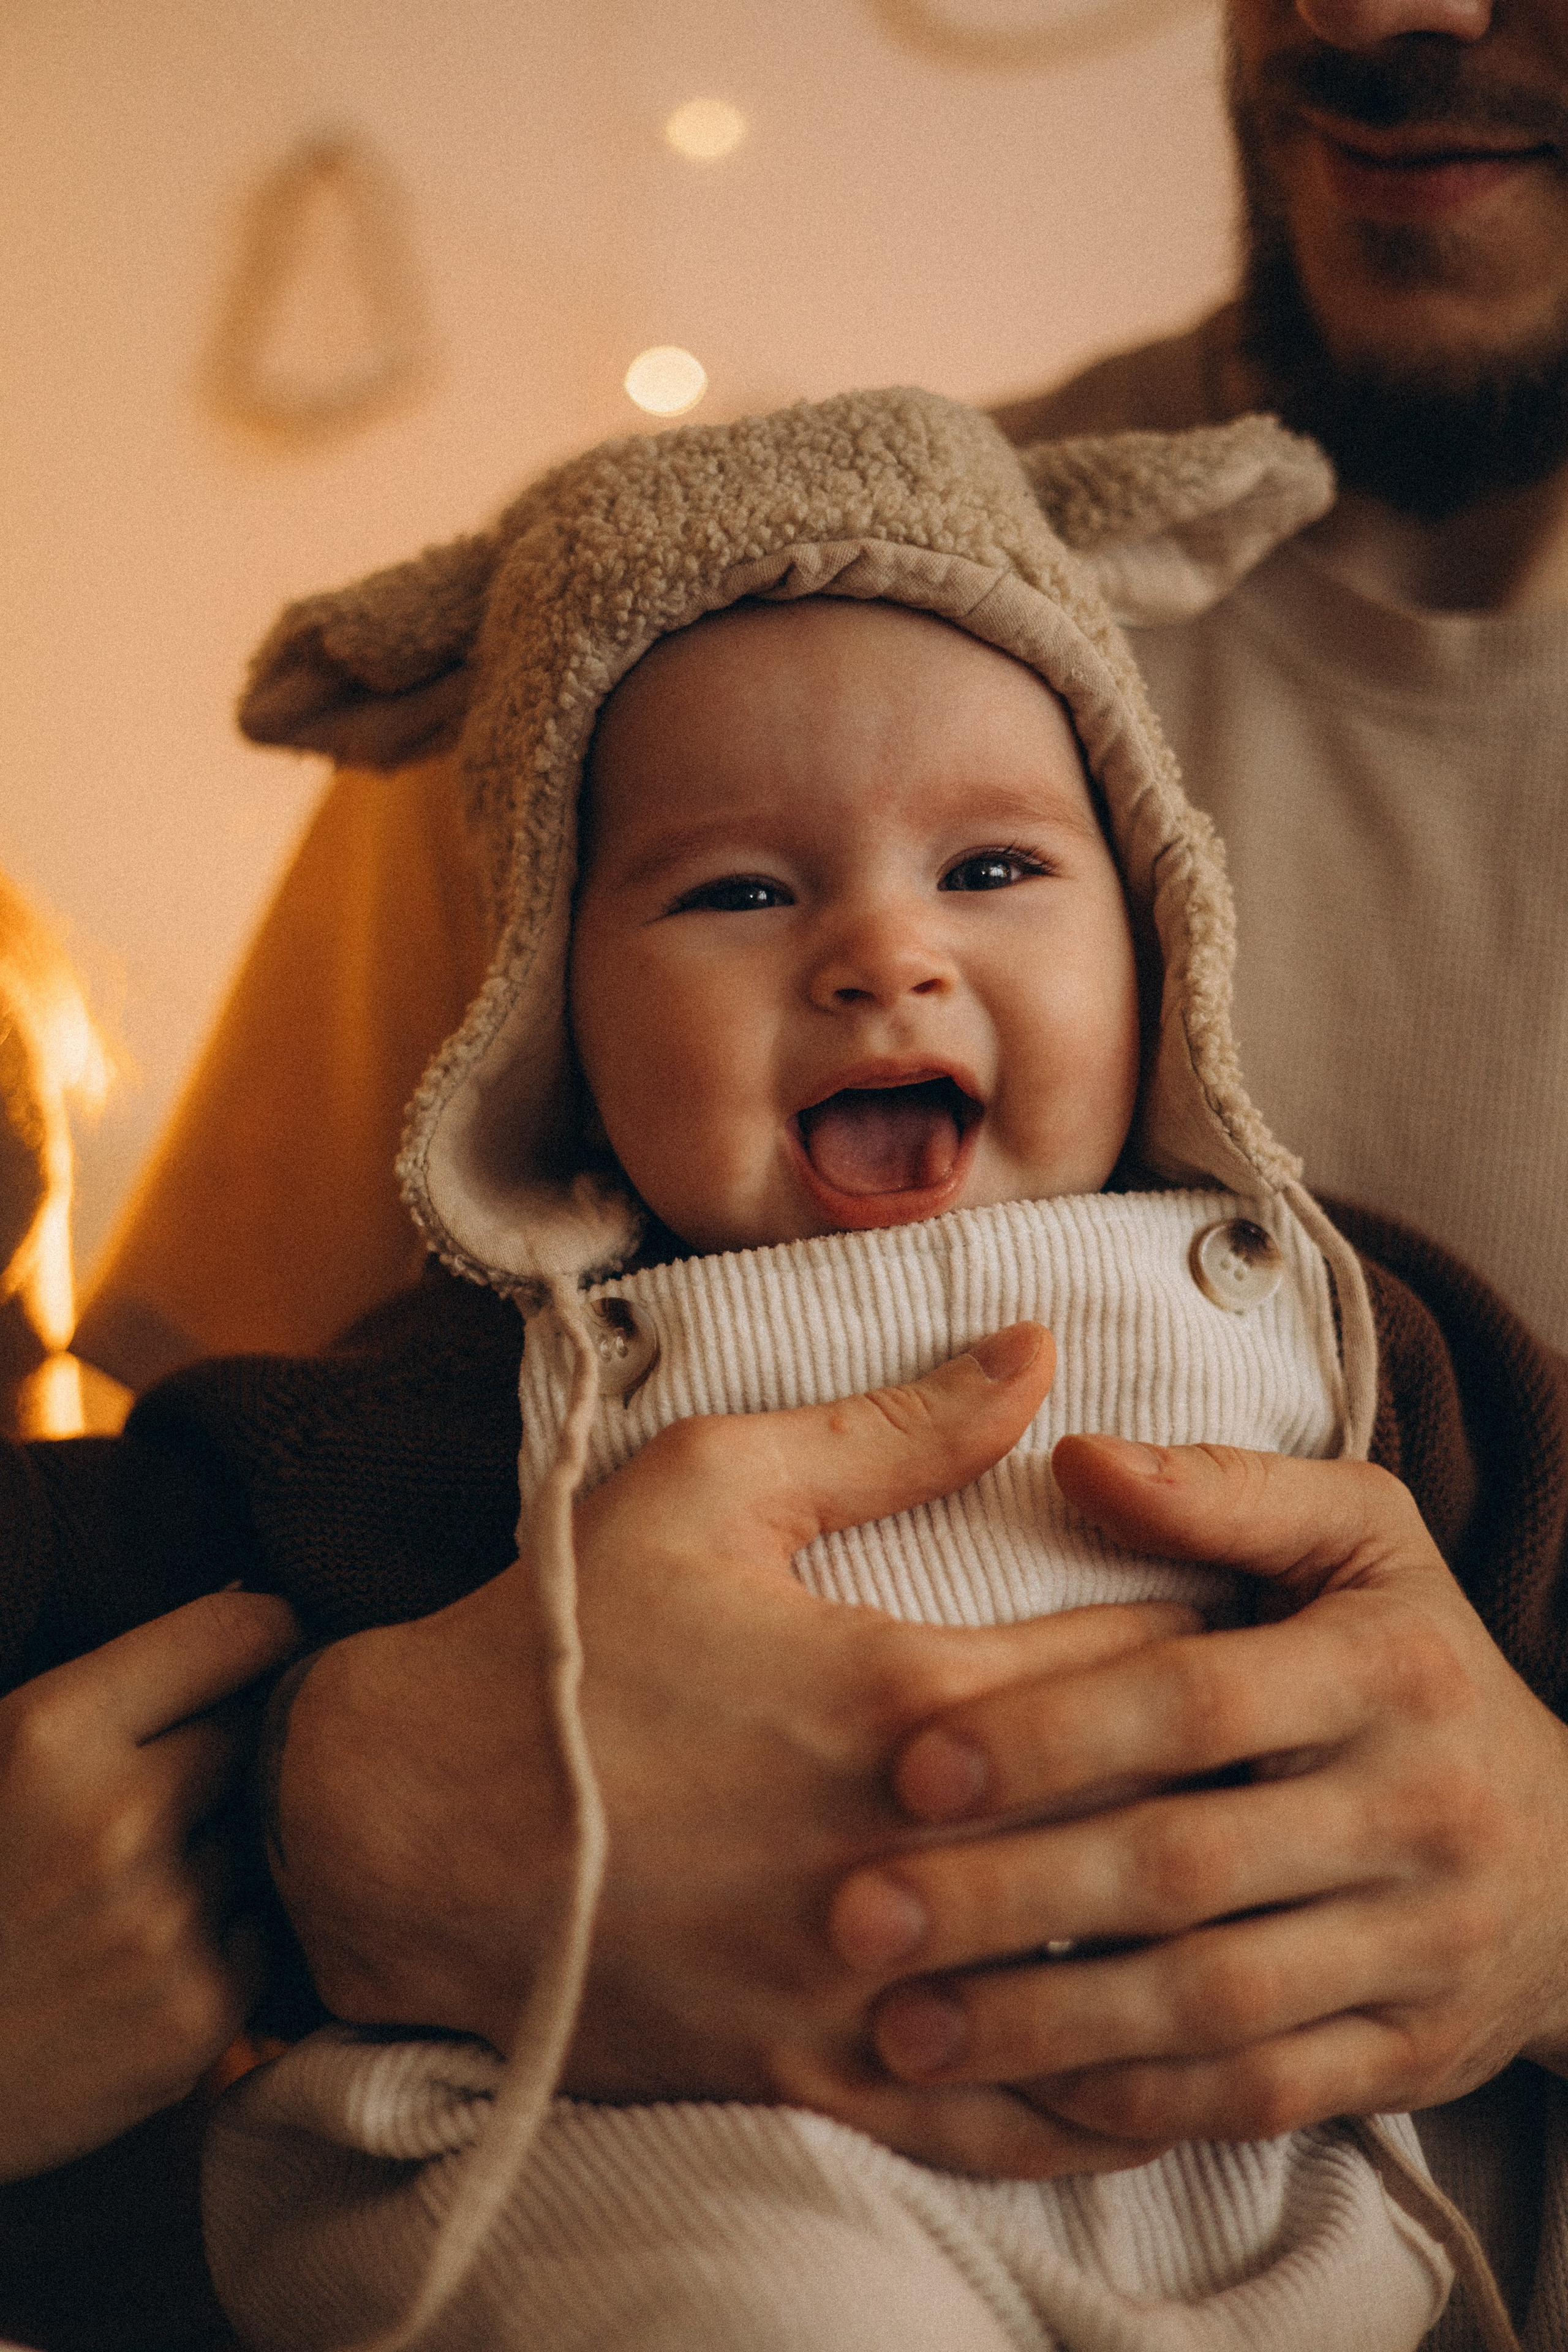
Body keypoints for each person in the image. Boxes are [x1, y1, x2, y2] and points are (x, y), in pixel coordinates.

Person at [21, 0, 1568, 2337]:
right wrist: (321, 1809)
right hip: (718, 2211)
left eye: (995, 878)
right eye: (740, 899)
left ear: (1161, 937)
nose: (878, 959)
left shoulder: (1330, 1310)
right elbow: (142, 1578)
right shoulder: (660, 633)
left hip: (1274, 2228)